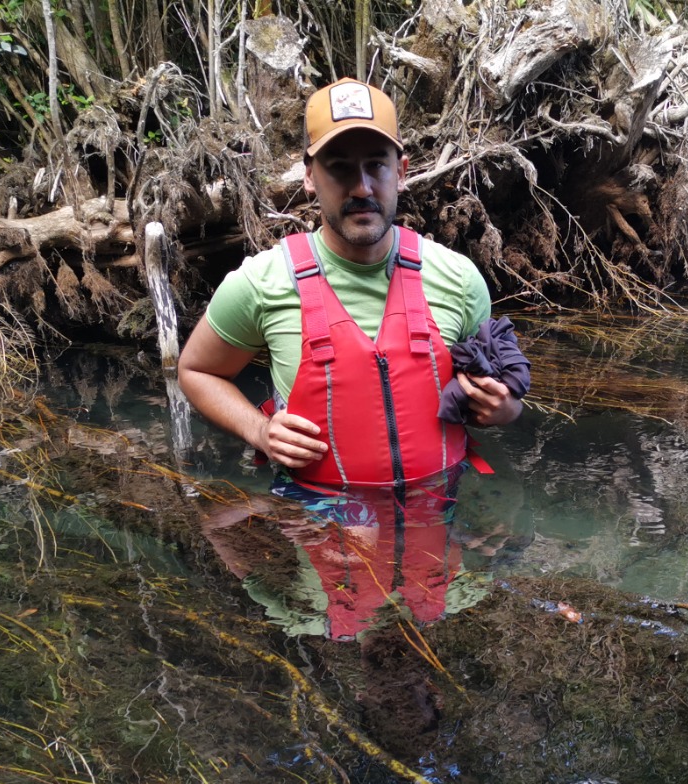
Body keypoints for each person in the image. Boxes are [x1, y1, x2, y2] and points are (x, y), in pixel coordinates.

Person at [178, 76, 523, 489]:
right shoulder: (262, 281)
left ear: (401, 171)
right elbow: (196, 371)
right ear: (309, 176)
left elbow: (498, 392)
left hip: (438, 514)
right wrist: (260, 431)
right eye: (339, 167)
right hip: (319, 519)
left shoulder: (461, 279)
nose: (361, 187)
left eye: (376, 164)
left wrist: (506, 410)